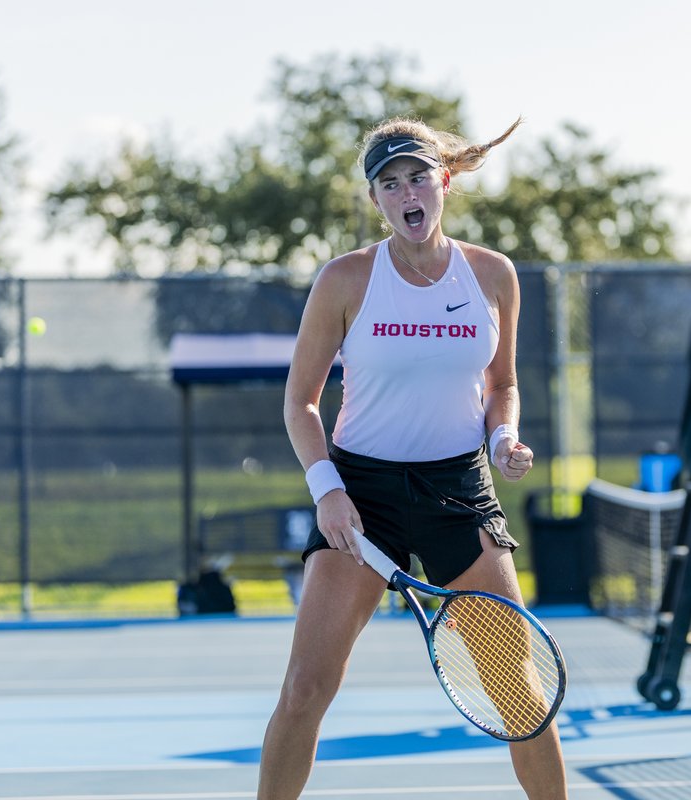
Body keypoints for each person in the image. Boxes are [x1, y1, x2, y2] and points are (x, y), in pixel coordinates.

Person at [256, 115, 568, 800]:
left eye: (418, 176)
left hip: (459, 492)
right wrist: (326, 489)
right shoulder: (345, 280)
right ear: (376, 201)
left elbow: (503, 385)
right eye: (389, 183)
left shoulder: (493, 275)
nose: (407, 193)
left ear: (444, 181)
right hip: (359, 500)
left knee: (518, 694)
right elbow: (300, 403)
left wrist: (503, 439)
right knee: (306, 689)